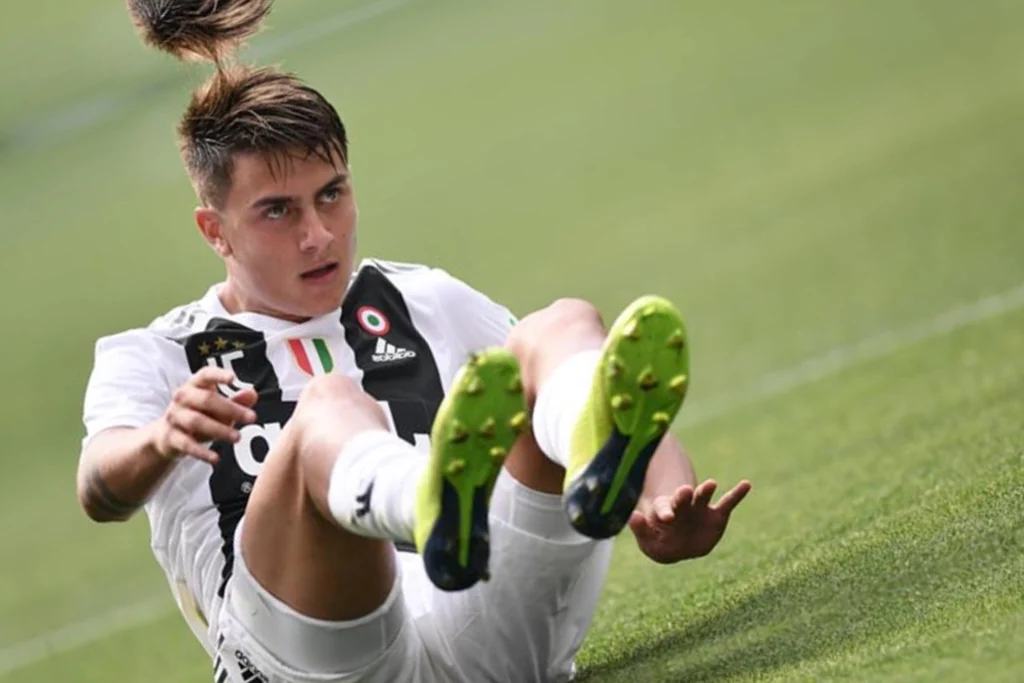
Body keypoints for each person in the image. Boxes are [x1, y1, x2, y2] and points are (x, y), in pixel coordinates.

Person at [76, 1, 751, 681]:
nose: (318, 233)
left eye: (331, 194)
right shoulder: (157, 354)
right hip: (312, 661)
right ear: (214, 230)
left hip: (478, 630)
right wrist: (163, 436)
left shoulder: (421, 297)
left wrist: (665, 494)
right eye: (278, 211)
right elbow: (100, 488)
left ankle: (555, 481)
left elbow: (616, 390)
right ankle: (425, 497)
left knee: (564, 326)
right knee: (330, 408)